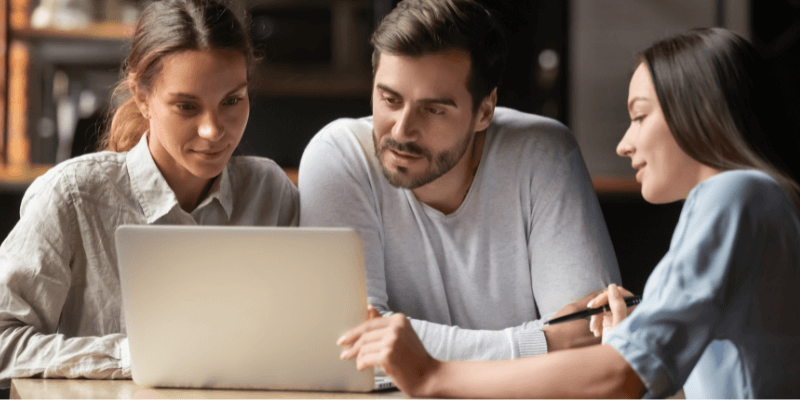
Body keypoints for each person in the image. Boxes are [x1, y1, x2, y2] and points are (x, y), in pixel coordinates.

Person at [337, 27, 800, 398]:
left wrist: (433, 376)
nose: (625, 144)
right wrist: (628, 343)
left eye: (639, 116)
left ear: (697, 112)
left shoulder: (734, 195)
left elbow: (617, 380)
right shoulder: (764, 202)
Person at [299, 0, 620, 362]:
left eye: (433, 109)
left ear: (484, 111)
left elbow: (591, 342)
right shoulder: (340, 155)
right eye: (389, 99)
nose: (402, 130)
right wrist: (540, 342)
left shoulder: (543, 153)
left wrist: (405, 347)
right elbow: (348, 345)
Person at [0, 0, 298, 390]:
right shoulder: (74, 197)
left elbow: (296, 339)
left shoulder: (269, 191)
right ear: (142, 96)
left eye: (232, 101)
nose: (213, 130)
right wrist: (137, 355)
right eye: (187, 106)